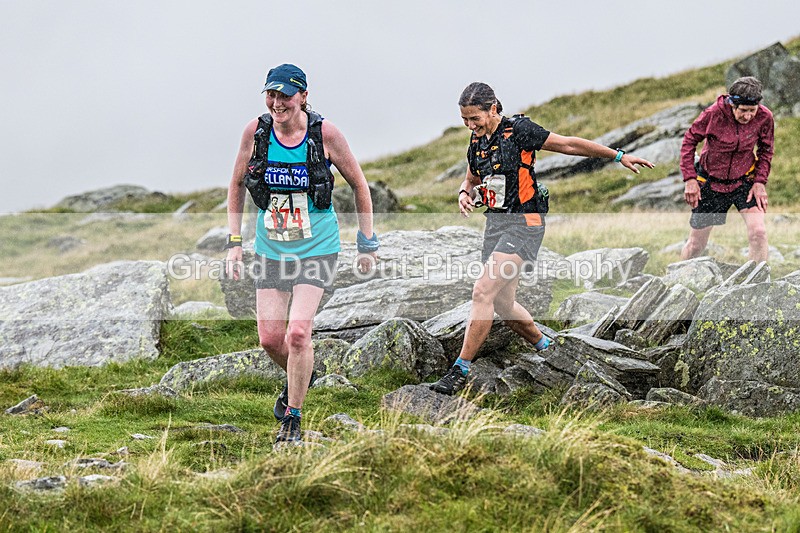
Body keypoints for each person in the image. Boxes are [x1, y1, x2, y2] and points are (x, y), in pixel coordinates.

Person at [429, 81, 655, 395]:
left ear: (492, 109)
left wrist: (618, 156)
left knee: (482, 291)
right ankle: (548, 348)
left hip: (526, 223)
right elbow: (470, 179)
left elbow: (568, 145)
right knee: (504, 305)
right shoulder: (476, 141)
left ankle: (459, 370)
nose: (470, 125)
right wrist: (464, 194)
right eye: (464, 120)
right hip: (496, 224)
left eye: (474, 118)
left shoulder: (519, 131)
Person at [225, 63, 378, 445]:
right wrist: (234, 242)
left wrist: (366, 242)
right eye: (271, 94)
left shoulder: (325, 134)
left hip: (317, 248)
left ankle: (293, 418)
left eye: (285, 95)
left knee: (297, 333)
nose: (277, 103)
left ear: (303, 96)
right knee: (269, 339)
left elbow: (360, 185)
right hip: (272, 249)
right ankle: (303, 373)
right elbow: (237, 184)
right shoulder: (256, 132)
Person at [679, 76, 774, 262]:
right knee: (696, 245)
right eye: (743, 110)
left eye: (752, 110)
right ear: (732, 104)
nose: (748, 116)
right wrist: (690, 179)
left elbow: (766, 150)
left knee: (759, 233)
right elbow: (689, 142)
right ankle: (676, 276)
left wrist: (760, 182)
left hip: (744, 181)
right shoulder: (713, 114)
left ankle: (758, 279)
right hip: (711, 183)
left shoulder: (765, 117)